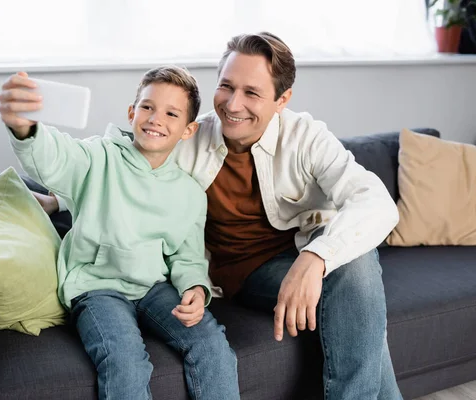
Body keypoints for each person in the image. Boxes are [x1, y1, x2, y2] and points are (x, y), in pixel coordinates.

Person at [37, 32, 403, 399]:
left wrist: (316, 257)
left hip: (296, 260)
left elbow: (375, 201)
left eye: (252, 93)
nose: (232, 104)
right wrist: (60, 199)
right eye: (226, 86)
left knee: (356, 269)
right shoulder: (189, 134)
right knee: (361, 302)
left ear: (282, 100)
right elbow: (123, 165)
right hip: (241, 275)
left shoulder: (306, 137)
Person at [0, 66, 240, 400]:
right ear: (132, 113)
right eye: (148, 107)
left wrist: (196, 289)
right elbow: (55, 157)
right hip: (98, 287)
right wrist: (26, 129)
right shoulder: (98, 156)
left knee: (212, 344)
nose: (156, 119)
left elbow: (187, 256)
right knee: (125, 361)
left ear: (188, 130)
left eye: (171, 113)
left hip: (155, 288)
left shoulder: (190, 194)